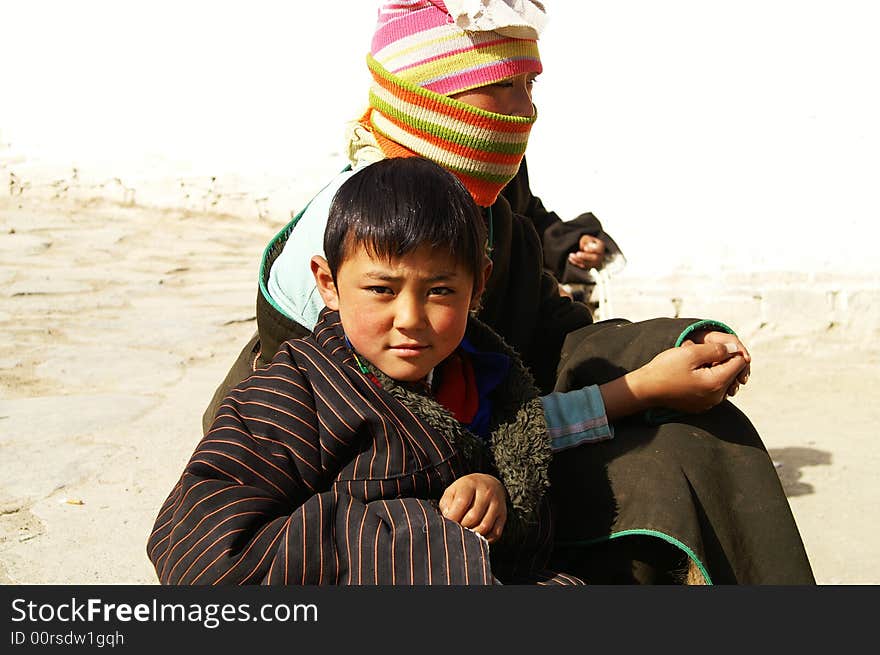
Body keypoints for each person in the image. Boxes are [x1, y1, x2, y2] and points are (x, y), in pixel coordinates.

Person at [201, 0, 814, 584]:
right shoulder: (322, 343)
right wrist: (467, 499)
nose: (527, 110)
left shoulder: (485, 210)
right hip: (386, 512)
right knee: (661, 480)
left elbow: (542, 354)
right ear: (330, 285)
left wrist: (664, 355)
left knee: (700, 437)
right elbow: (384, 458)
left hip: (488, 459)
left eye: (531, 87)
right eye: (508, 85)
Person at [148, 156, 584, 585]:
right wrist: (429, 531)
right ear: (327, 283)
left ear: (479, 285)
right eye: (381, 289)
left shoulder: (486, 380)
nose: (410, 318)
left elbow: (525, 536)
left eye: (440, 290)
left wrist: (494, 496)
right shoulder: (292, 394)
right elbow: (199, 552)